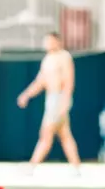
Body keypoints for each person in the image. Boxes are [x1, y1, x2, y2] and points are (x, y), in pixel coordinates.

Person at [16, 32, 81, 171]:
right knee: (65, 135)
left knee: (46, 134)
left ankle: (32, 166)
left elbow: (69, 81)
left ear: (57, 41)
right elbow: (40, 82)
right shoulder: (47, 60)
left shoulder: (64, 57)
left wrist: (65, 101)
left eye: (50, 41)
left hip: (59, 98)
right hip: (51, 99)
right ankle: (76, 167)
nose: (47, 44)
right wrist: (26, 95)